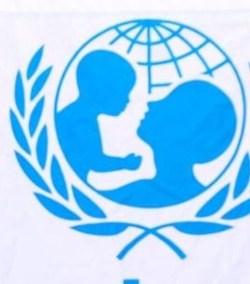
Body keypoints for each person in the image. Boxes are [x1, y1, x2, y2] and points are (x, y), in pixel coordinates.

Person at [99, 79, 237, 209]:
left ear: (185, 131)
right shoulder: (211, 202)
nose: (151, 103)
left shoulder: (129, 197)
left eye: (168, 102)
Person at [54, 50, 141, 185]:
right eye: (123, 92)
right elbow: (96, 162)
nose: (127, 100)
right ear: (101, 91)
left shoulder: (80, 116)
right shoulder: (80, 121)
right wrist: (125, 163)